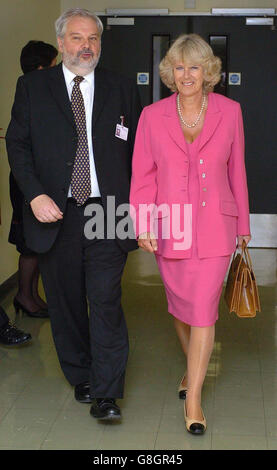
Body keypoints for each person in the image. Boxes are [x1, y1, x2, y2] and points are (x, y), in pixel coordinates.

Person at [6, 8, 141, 421]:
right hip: (55, 212)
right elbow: (18, 145)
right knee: (65, 302)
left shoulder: (121, 87)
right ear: (62, 43)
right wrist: (34, 195)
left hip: (109, 210)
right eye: (78, 38)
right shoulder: (33, 87)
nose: (87, 46)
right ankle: (81, 375)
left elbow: (141, 151)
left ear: (101, 44)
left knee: (105, 299)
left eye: (94, 39)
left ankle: (106, 392)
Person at [130, 34, 251, 435]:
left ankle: (194, 398)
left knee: (202, 309)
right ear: (170, 72)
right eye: (179, 67)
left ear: (208, 71)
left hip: (217, 224)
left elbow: (238, 171)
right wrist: (143, 220)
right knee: (180, 306)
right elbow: (143, 174)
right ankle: (192, 369)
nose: (187, 75)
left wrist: (244, 227)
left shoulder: (230, 111)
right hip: (171, 225)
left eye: (194, 67)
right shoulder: (152, 115)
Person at [9, 40, 58, 319]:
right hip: (27, 180)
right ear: (41, 67)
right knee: (29, 243)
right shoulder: (30, 90)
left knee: (38, 244)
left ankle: (31, 295)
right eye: (53, 64)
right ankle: (24, 296)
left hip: (41, 179)